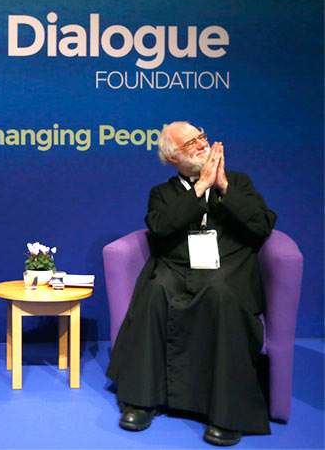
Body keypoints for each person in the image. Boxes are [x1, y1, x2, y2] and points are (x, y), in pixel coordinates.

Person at [106, 121, 277, 446]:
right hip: (176, 267)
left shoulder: (239, 182)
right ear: (173, 158)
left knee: (220, 292)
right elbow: (161, 227)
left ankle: (228, 414)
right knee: (155, 291)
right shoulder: (162, 193)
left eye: (202, 138)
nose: (201, 144)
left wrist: (223, 186)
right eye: (190, 143)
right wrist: (200, 189)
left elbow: (262, 225)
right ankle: (142, 400)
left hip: (228, 268)